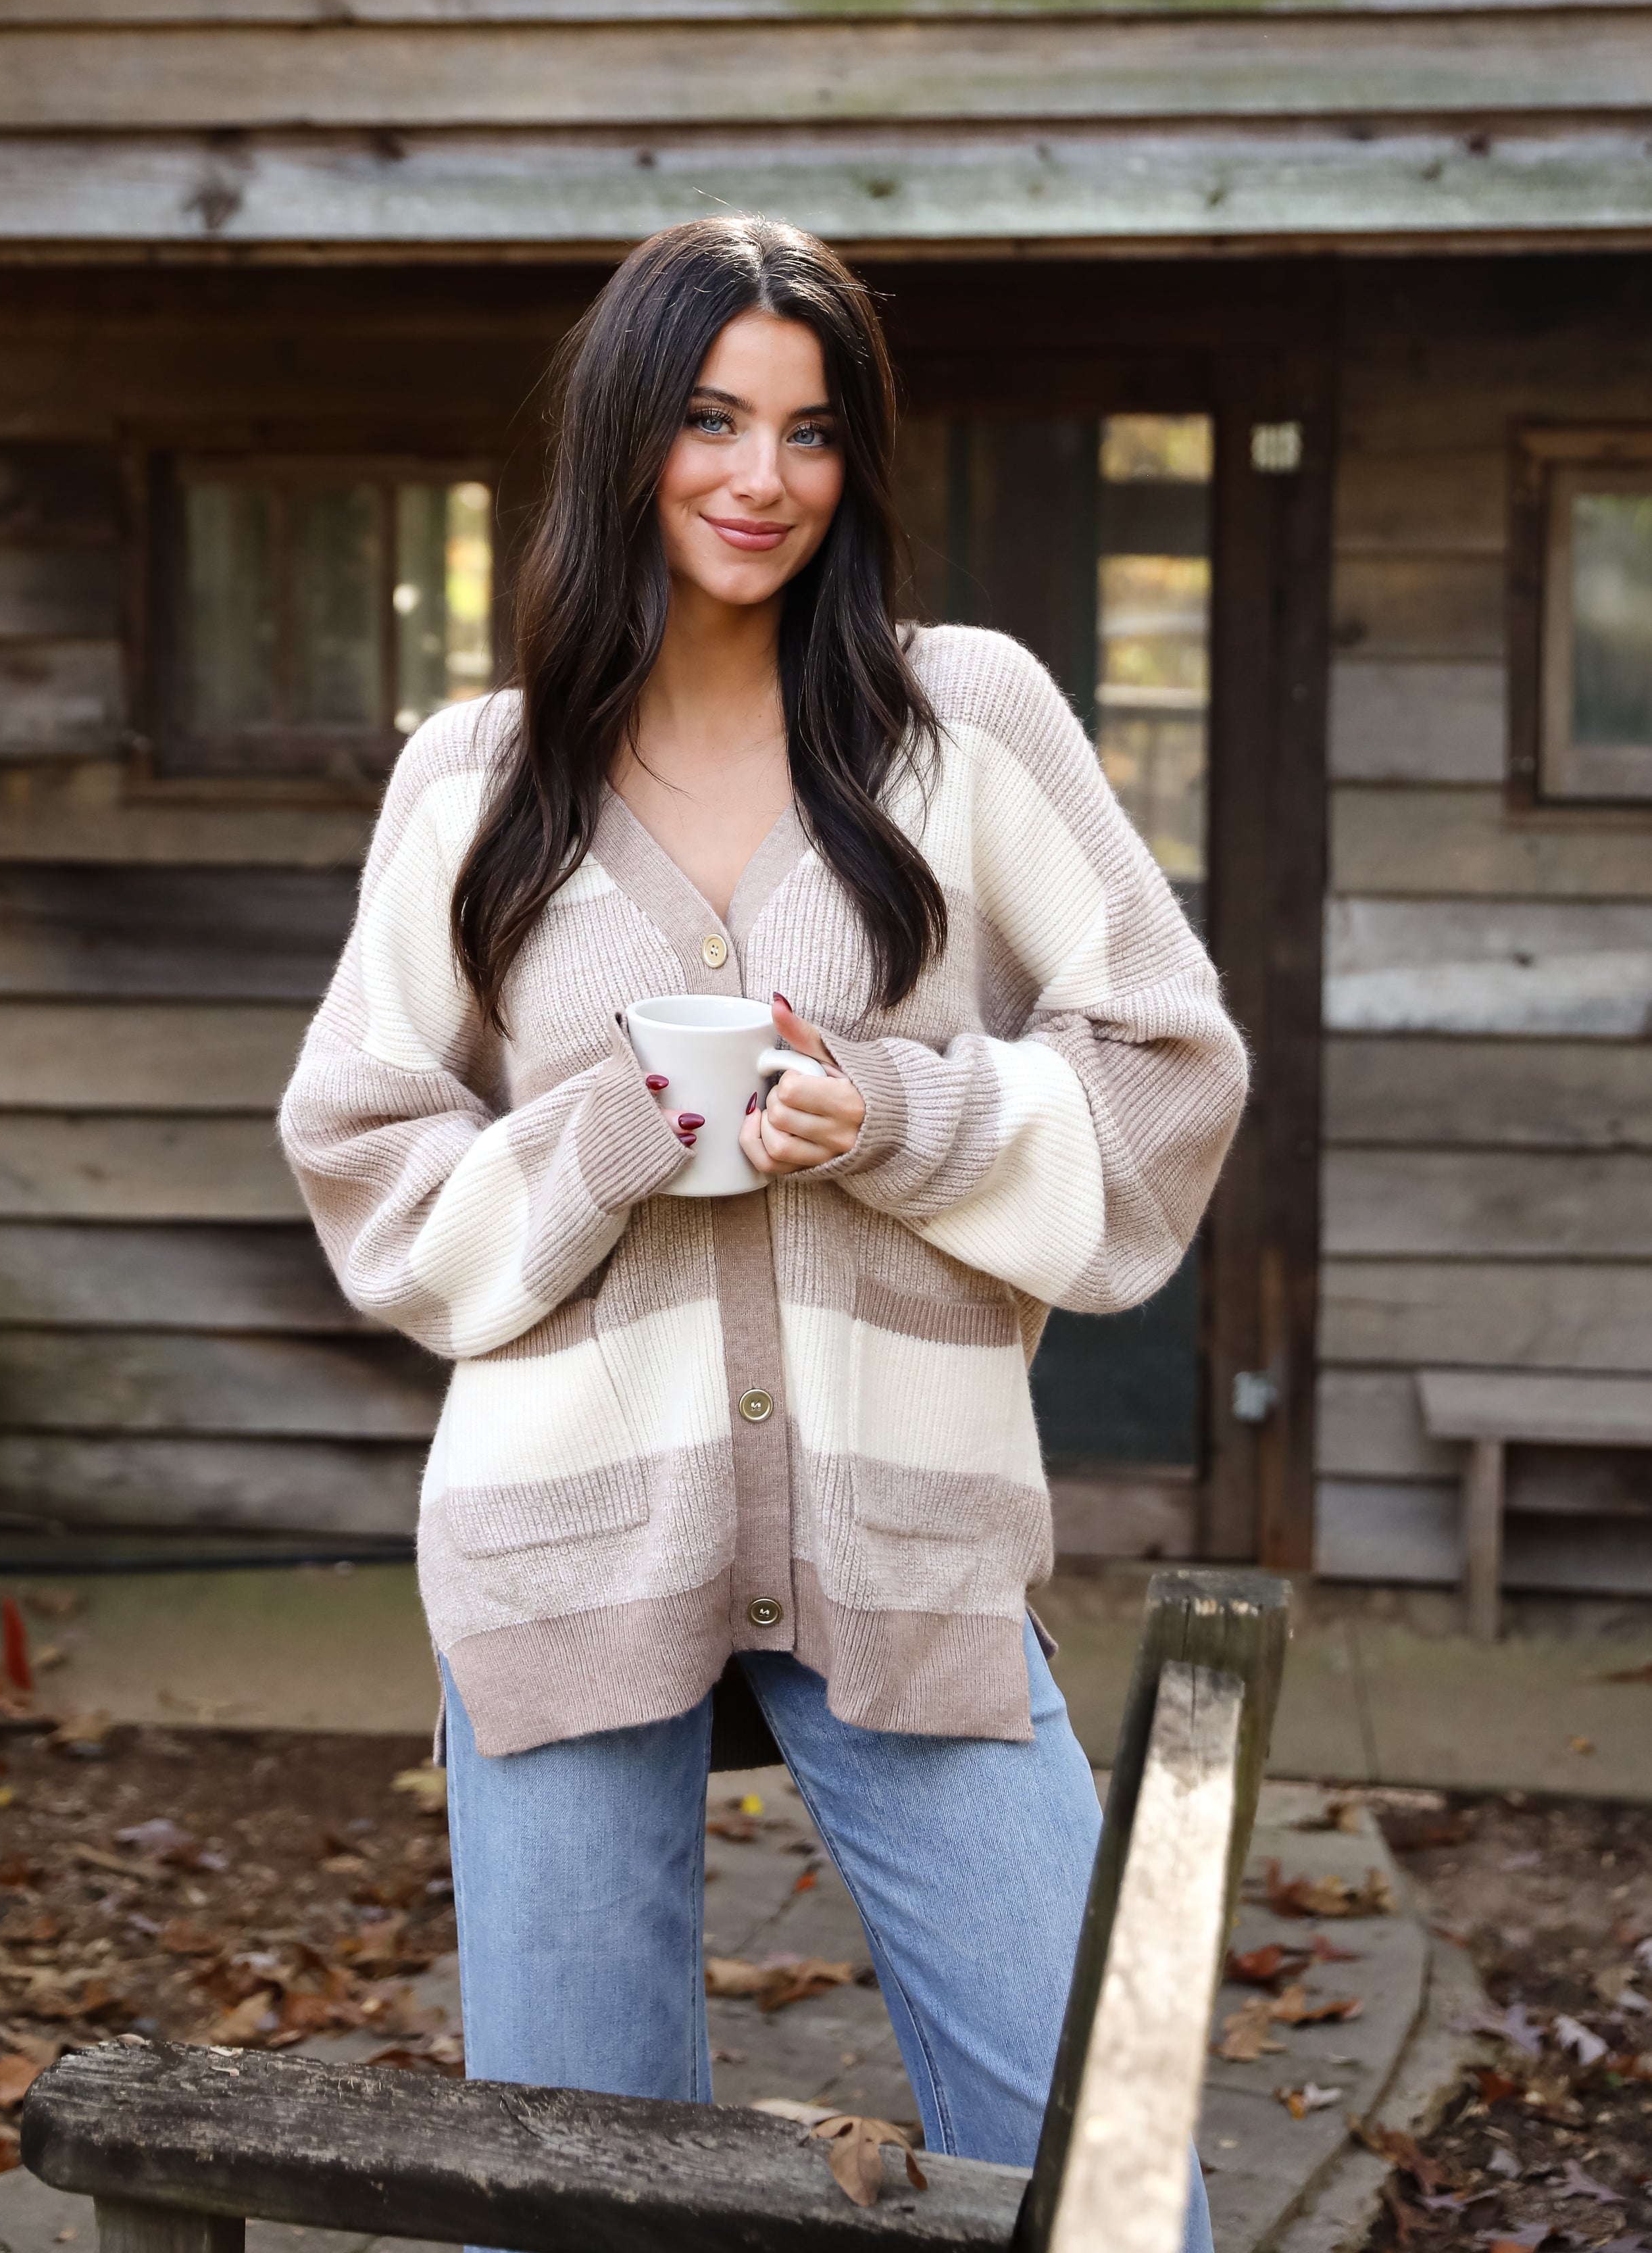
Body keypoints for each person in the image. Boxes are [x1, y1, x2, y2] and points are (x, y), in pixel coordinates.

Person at [279, 218, 1249, 2251]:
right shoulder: (477, 776)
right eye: (710, 420)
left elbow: (1168, 1064)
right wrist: (609, 1142)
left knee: (1104, 2149)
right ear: (626, 440)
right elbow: (365, 1158)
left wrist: (898, 1114)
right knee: (568, 2192)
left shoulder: (957, 720)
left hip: (905, 1529)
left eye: (811, 433)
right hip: (562, 1540)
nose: (759, 478)